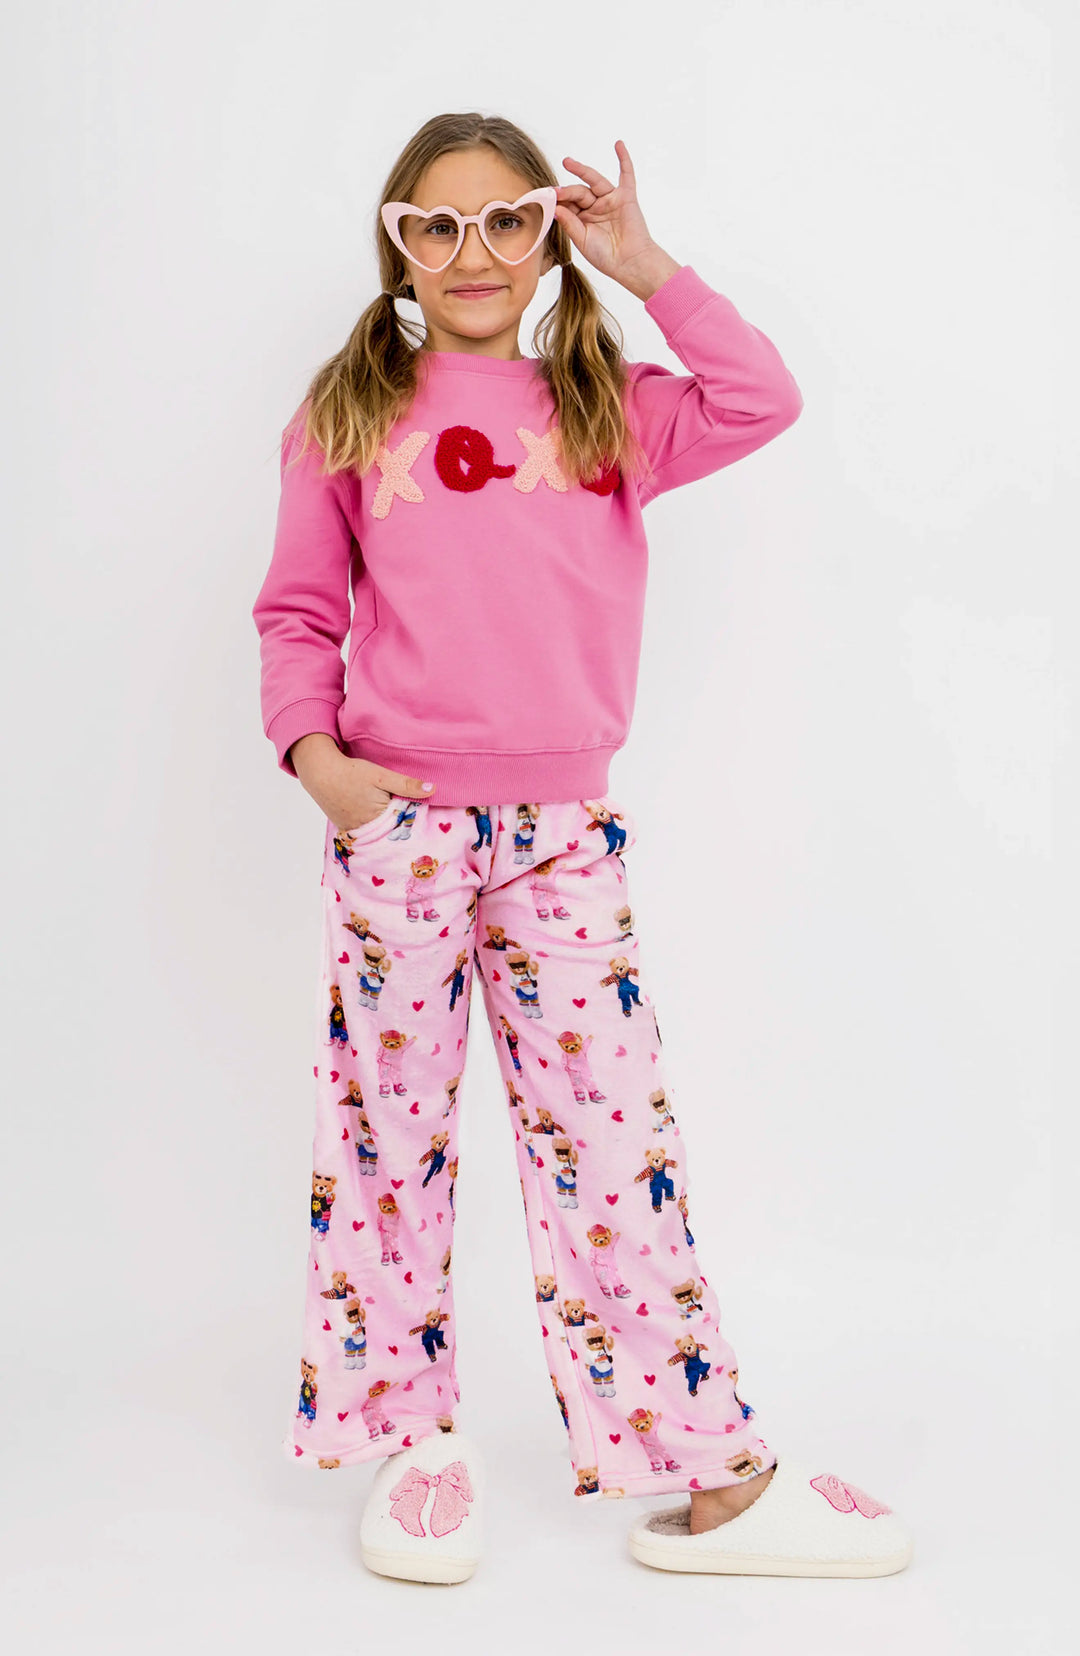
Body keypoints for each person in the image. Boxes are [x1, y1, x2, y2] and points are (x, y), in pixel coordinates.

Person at [251, 111, 913, 1585]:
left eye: (506, 219)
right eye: (436, 225)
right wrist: (319, 762)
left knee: (614, 1149)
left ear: (548, 236)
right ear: (398, 244)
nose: (471, 250)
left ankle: (716, 1480)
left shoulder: (605, 403)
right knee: (387, 1144)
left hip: (562, 839)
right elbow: (295, 611)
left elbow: (762, 396)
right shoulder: (346, 412)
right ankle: (415, 1445)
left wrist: (646, 264)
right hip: (399, 828)